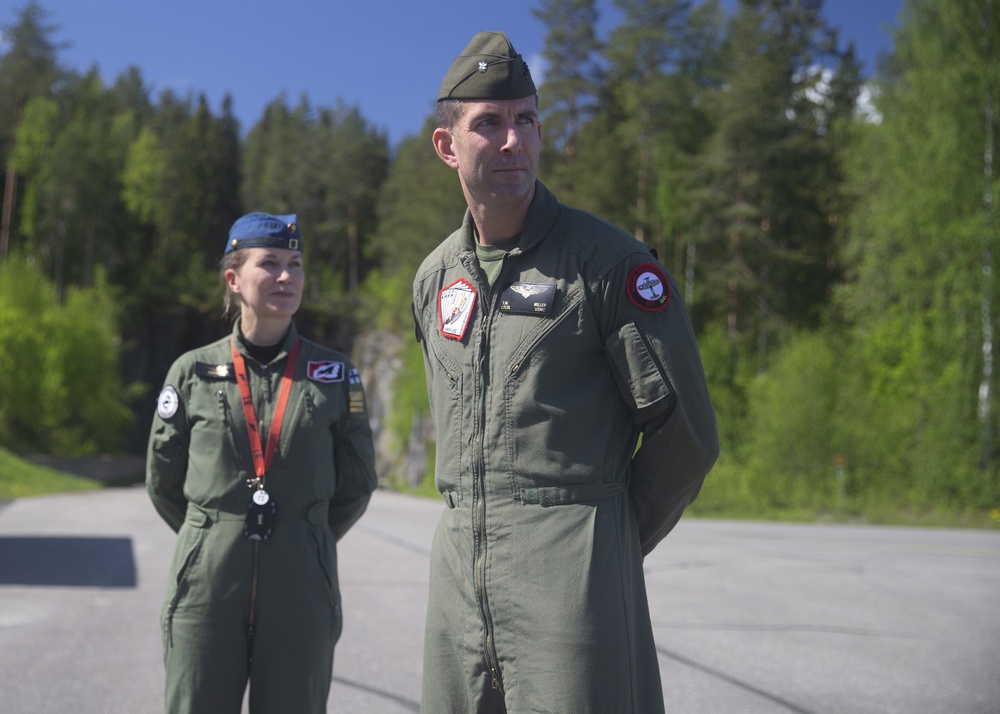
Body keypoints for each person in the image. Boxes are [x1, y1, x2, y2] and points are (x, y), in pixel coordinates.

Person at [412, 31, 720, 713]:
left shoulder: (608, 265)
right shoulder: (435, 281)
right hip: (458, 584)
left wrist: (600, 540)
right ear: (447, 146)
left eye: (526, 120)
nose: (513, 140)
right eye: (489, 124)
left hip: (570, 587)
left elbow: (687, 435)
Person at [146, 212, 377, 713]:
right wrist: (213, 535)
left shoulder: (334, 375)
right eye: (269, 263)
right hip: (206, 588)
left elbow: (357, 482)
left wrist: (306, 533)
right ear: (233, 278)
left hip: (301, 589)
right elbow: (162, 482)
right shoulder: (191, 373)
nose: (287, 276)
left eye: (295, 264)